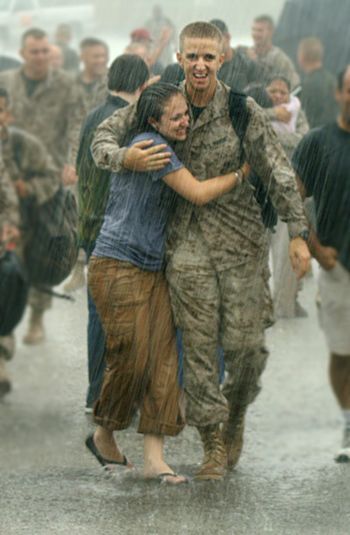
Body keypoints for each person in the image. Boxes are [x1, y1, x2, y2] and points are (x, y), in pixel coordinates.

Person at [91, 22, 311, 481]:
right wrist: (126, 158)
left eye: (208, 57)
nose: (199, 65)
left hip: (240, 241)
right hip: (185, 243)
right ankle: (212, 443)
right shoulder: (162, 102)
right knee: (199, 349)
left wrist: (297, 232)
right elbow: (102, 140)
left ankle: (233, 420)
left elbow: (275, 168)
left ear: (223, 58)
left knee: (247, 348)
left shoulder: (239, 109)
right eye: (192, 56)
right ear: (179, 56)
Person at [86, 81, 248, 484]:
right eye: (175, 117)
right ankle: (103, 431)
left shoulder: (170, 144)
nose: (185, 121)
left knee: (163, 361)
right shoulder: (151, 147)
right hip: (117, 263)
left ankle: (155, 459)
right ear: (154, 121)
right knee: (133, 357)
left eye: (186, 114)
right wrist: (242, 172)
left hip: (153, 267)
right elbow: (196, 192)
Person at [77, 54, 150, 412]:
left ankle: (95, 392)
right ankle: (116, 395)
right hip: (118, 230)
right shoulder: (129, 123)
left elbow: (80, 173)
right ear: (142, 83)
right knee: (123, 317)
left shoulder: (93, 116)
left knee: (97, 314)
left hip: (92, 227)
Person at [0, 28, 81, 345]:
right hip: (10, 169)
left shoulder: (65, 85)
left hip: (49, 175)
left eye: (45, 51)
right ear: (22, 54)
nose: (41, 57)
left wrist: (71, 162)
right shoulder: (7, 81)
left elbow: (77, 123)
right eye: (34, 51)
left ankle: (36, 315)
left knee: (43, 248)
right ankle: (5, 331)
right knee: (11, 245)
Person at [292, 65, 350, 463]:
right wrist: (313, 246)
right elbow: (292, 198)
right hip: (337, 265)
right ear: (340, 93)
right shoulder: (318, 143)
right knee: (343, 353)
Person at [0, 87, 60, 395]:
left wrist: (29, 189)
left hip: (18, 235)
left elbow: (52, 178)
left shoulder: (25, 146)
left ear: (7, 115)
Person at [64, 37, 109, 293]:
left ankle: (96, 269)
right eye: (95, 56)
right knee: (75, 216)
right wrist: (68, 163)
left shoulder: (110, 84)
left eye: (104, 55)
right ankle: (76, 269)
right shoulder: (69, 86)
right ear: (83, 57)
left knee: (99, 216)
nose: (101, 61)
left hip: (101, 159)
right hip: (75, 160)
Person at [265, 76, 309, 319]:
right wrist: (272, 115)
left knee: (285, 253)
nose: (279, 96)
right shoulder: (260, 108)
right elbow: (254, 124)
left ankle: (285, 306)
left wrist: (273, 132)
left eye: (283, 92)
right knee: (261, 256)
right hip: (262, 191)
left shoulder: (297, 112)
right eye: (274, 91)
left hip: (289, 189)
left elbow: (302, 138)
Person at [246, 15, 300, 89]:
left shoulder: (280, 59)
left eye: (260, 30)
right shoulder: (245, 54)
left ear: (271, 32)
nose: (255, 34)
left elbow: (294, 84)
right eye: (253, 30)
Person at [209, 19, 261, 93]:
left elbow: (257, 94)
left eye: (217, 40)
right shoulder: (206, 67)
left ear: (228, 37)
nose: (214, 45)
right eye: (210, 42)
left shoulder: (247, 65)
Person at [297, 37, 338, 128]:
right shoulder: (332, 80)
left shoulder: (307, 85)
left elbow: (306, 118)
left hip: (317, 136)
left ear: (302, 56)